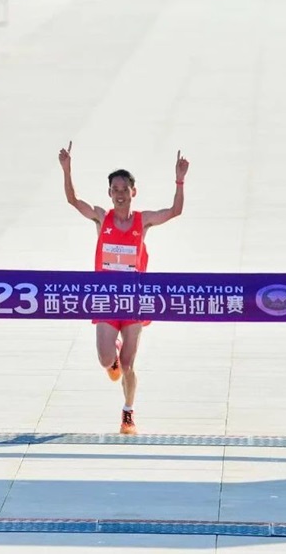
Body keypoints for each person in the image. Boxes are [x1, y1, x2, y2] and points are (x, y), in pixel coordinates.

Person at [58, 141, 189, 434]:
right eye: (114, 189)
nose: (119, 194)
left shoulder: (143, 221)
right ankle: (113, 352)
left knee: (128, 365)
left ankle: (128, 413)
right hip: (106, 300)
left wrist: (179, 180)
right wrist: (67, 169)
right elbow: (73, 200)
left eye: (124, 189)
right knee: (107, 360)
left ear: (133, 192)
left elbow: (175, 211)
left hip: (134, 301)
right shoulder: (100, 217)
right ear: (109, 193)